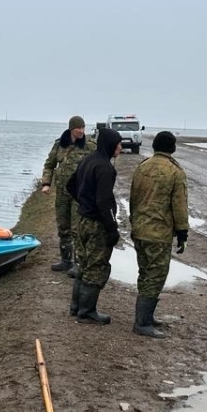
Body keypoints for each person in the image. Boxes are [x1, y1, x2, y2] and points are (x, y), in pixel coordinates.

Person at [127, 131, 188, 339]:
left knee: (145, 272)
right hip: (158, 234)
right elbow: (179, 206)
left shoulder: (142, 167)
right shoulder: (175, 172)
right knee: (155, 275)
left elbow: (133, 197)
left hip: (140, 230)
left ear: (154, 146)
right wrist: (182, 233)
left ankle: (146, 317)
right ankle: (142, 322)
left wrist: (133, 221)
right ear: (172, 148)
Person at [65, 128, 123, 324]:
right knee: (96, 266)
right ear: (110, 145)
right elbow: (104, 201)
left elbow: (70, 185)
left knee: (83, 263)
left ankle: (75, 307)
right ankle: (86, 312)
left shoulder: (87, 160)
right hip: (96, 224)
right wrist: (112, 229)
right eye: (118, 144)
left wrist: (83, 203)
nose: (120, 147)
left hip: (81, 220)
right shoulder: (105, 168)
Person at [40, 115, 98, 274]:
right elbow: (49, 165)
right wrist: (46, 183)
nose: (81, 131)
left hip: (80, 195)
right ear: (71, 128)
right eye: (78, 128)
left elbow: (99, 165)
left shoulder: (90, 146)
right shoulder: (60, 144)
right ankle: (66, 260)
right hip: (62, 193)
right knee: (63, 226)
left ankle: (79, 264)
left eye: (83, 128)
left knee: (77, 229)